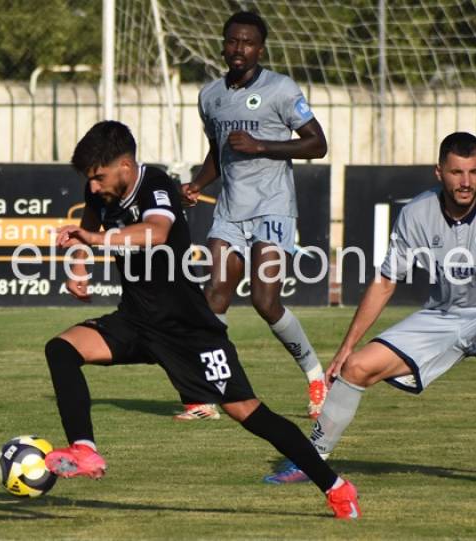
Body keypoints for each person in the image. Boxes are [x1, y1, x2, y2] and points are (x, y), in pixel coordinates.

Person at [42, 120, 360, 519]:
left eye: (98, 177)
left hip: (189, 331)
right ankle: (84, 450)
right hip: (136, 322)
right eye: (88, 179)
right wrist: (79, 268)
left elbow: (156, 232)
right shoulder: (100, 193)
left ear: (124, 166)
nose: (92, 187)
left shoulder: (155, 184)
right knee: (61, 349)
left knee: (249, 413)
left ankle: (336, 486)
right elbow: (86, 231)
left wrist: (95, 240)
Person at [265, 131, 476, 487]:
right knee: (355, 368)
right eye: (457, 172)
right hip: (441, 316)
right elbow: (385, 282)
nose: (466, 182)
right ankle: (311, 461)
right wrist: (346, 348)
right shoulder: (417, 213)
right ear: (439, 172)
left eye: (474, 172)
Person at [179, 11, 328, 421]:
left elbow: (317, 144)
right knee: (214, 297)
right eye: (232, 41)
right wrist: (197, 184)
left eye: (247, 42)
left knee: (265, 300)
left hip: (273, 207)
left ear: (260, 49)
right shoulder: (210, 96)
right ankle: (207, 396)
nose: (239, 48)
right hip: (230, 210)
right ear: (223, 46)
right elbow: (219, 151)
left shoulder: (281, 89)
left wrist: (262, 146)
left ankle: (316, 376)